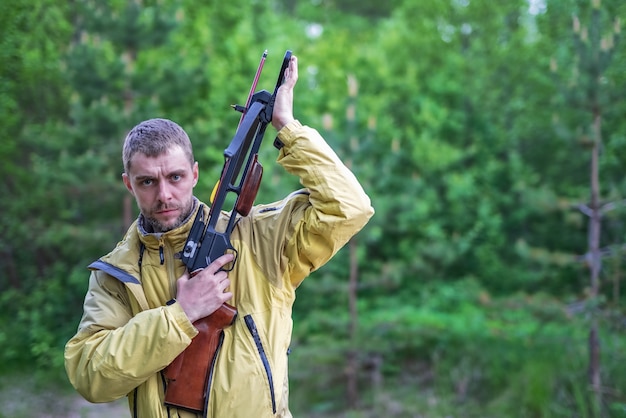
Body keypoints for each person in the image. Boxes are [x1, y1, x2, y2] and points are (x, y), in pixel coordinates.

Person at [64, 54, 374, 418]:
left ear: (195, 174)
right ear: (128, 184)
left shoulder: (259, 238)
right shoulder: (116, 274)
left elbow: (350, 207)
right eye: (147, 181)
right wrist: (181, 315)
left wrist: (287, 127)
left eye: (175, 177)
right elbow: (90, 376)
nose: (163, 194)